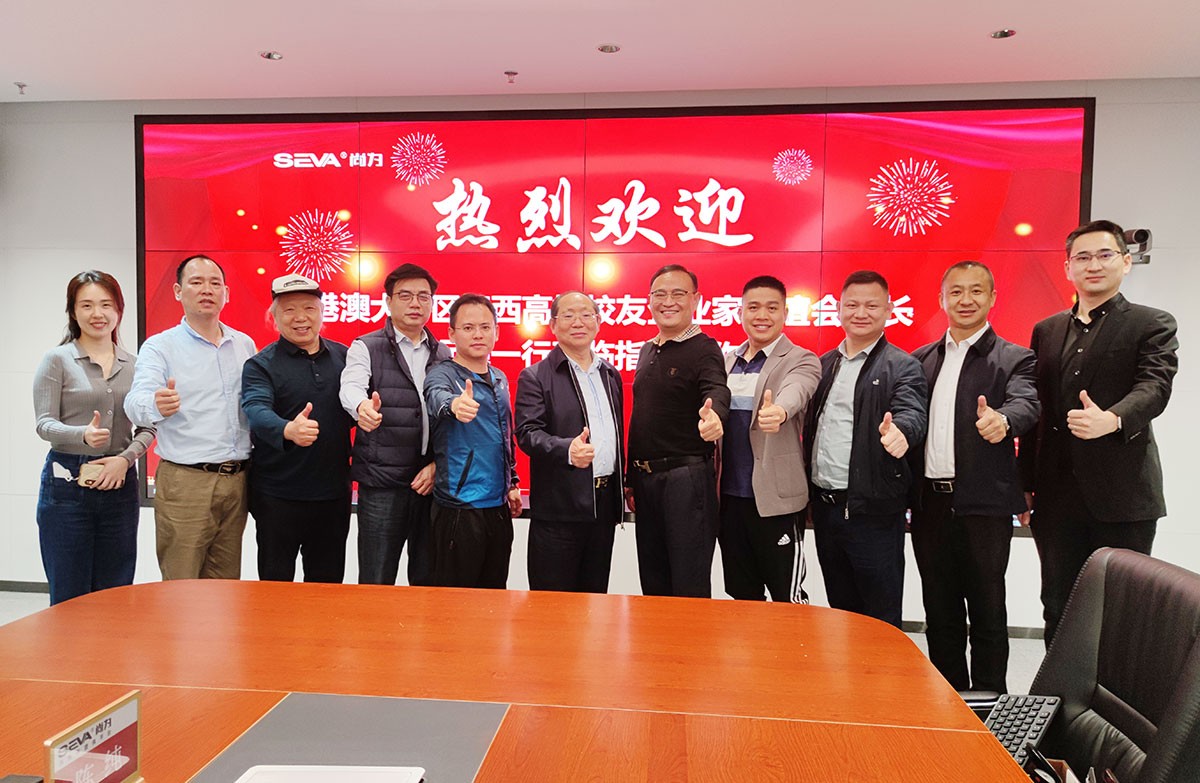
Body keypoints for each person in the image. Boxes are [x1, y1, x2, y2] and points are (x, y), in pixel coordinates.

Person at [1021, 219, 1179, 645]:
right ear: (1068, 267)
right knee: (1058, 605)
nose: (1093, 265)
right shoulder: (1047, 330)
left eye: (1105, 255)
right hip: (1056, 497)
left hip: (1123, 495)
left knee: (1122, 611)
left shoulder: (1151, 323)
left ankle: (1118, 692)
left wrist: (1113, 418)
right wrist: (1025, 482)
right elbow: (1037, 409)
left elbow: (1155, 386)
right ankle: (1058, 688)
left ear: (1125, 263)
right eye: (1083, 257)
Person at [910, 261, 1038, 692]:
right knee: (939, 612)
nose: (966, 300)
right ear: (942, 299)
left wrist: (1004, 419)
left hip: (984, 505)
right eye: (957, 292)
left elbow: (1027, 403)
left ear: (992, 298)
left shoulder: (1015, 358)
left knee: (987, 612)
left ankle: (989, 705)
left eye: (977, 291)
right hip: (930, 505)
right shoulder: (921, 360)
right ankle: (947, 702)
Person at [804, 270, 927, 627]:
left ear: (888, 310)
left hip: (872, 512)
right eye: (852, 305)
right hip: (826, 508)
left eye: (872, 306)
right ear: (838, 310)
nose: (861, 313)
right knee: (841, 612)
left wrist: (902, 433)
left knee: (880, 616)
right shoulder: (823, 364)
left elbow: (912, 412)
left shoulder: (903, 365)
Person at [125, 255, 256, 580]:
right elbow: (135, 402)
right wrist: (156, 404)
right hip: (186, 482)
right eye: (196, 282)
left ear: (226, 293)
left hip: (237, 480)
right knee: (181, 584)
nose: (206, 290)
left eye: (215, 283)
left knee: (226, 586)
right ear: (177, 291)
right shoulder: (160, 346)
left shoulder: (244, 344)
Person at [33, 271, 155, 605]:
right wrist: (82, 435)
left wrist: (125, 459)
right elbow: (44, 424)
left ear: (119, 310)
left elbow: (148, 426)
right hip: (67, 484)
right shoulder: (57, 360)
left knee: (115, 593)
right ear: (73, 312)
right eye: (86, 305)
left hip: (120, 483)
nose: (97, 314)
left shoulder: (136, 365)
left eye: (106, 305)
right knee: (69, 595)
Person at [340, 263, 451, 586]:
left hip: (430, 484)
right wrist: (361, 407)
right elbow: (351, 386)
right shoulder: (366, 346)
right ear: (388, 302)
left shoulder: (443, 353)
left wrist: (437, 465)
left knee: (429, 580)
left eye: (423, 296)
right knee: (376, 579)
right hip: (383, 483)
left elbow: (449, 421)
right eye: (405, 296)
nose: (415, 303)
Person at [626, 264, 730, 598]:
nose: (668, 301)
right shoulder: (648, 349)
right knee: (653, 581)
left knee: (688, 584)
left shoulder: (705, 348)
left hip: (686, 480)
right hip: (646, 482)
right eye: (660, 294)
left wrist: (715, 417)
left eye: (678, 294)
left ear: (696, 300)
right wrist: (631, 478)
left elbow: (716, 389)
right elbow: (643, 417)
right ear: (649, 300)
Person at [242, 274, 354, 582]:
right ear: (274, 317)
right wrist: (287, 429)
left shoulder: (346, 357)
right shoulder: (260, 365)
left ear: (322, 313)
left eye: (309, 308)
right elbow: (255, 409)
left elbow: (359, 402)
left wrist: (366, 412)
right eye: (289, 309)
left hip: (332, 496)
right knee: (276, 588)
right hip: (277, 497)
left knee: (327, 587)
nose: (300, 318)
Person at [719, 275, 820, 602]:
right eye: (753, 307)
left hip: (775, 501)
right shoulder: (726, 362)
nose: (762, 315)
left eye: (772, 308)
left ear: (785, 313)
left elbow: (798, 389)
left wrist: (779, 410)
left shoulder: (801, 358)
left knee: (787, 597)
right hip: (729, 499)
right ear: (740, 312)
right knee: (742, 594)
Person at [515, 291, 624, 593]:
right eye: (568, 315)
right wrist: (567, 450)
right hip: (559, 509)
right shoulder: (535, 376)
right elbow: (527, 433)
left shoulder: (610, 374)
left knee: (595, 599)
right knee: (553, 606)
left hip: (603, 507)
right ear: (553, 325)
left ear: (598, 322)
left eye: (586, 315)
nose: (578, 322)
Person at [423, 294, 522, 588]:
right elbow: (436, 397)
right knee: (456, 603)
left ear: (496, 332)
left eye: (485, 327)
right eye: (468, 328)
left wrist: (512, 482)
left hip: (498, 507)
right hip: (459, 508)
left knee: (494, 597)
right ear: (452, 333)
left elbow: (504, 435)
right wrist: (454, 405)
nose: (478, 334)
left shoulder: (500, 377)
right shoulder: (442, 374)